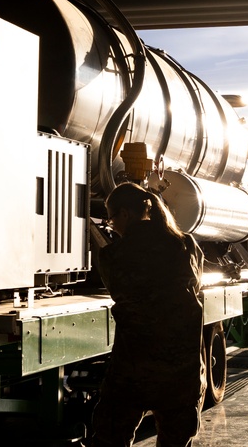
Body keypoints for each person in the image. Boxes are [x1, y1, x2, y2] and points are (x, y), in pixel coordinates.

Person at [90, 182, 206, 447]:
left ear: (125, 215)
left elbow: (120, 292)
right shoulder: (184, 245)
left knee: (110, 438)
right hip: (181, 371)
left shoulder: (112, 256)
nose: (112, 225)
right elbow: (195, 286)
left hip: (132, 370)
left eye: (111, 218)